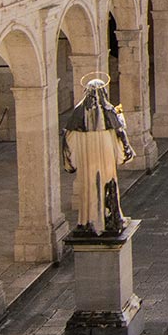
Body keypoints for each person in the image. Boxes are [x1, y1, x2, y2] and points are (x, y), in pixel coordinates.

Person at [61, 73, 136, 235]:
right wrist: (126, 150)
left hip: (87, 159)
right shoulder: (108, 111)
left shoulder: (78, 112)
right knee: (108, 184)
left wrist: (70, 161)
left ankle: (87, 221)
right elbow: (120, 134)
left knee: (88, 186)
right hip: (106, 156)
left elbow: (68, 137)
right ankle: (110, 218)